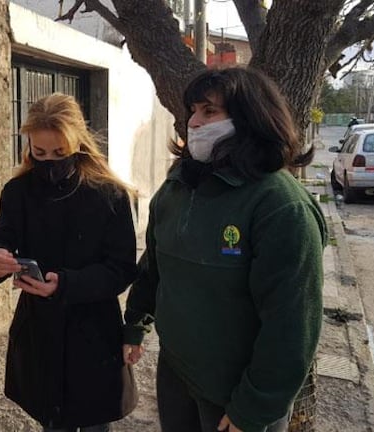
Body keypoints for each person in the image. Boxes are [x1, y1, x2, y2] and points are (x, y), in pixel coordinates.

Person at [122, 67, 328, 432]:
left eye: (209, 111)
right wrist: (135, 324)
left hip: (239, 395)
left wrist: (254, 407)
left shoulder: (280, 206)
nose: (195, 123)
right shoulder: (176, 189)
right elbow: (155, 269)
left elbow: (292, 325)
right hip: (178, 375)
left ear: (250, 119)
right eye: (192, 111)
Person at [0, 93, 138, 432]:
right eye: (40, 153)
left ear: (78, 142)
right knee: (52, 422)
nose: (49, 161)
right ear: (29, 147)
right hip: (40, 327)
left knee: (95, 421)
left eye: (59, 153)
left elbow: (121, 269)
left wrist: (65, 284)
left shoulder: (110, 195)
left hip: (94, 329)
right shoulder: (18, 191)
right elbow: (1, 235)